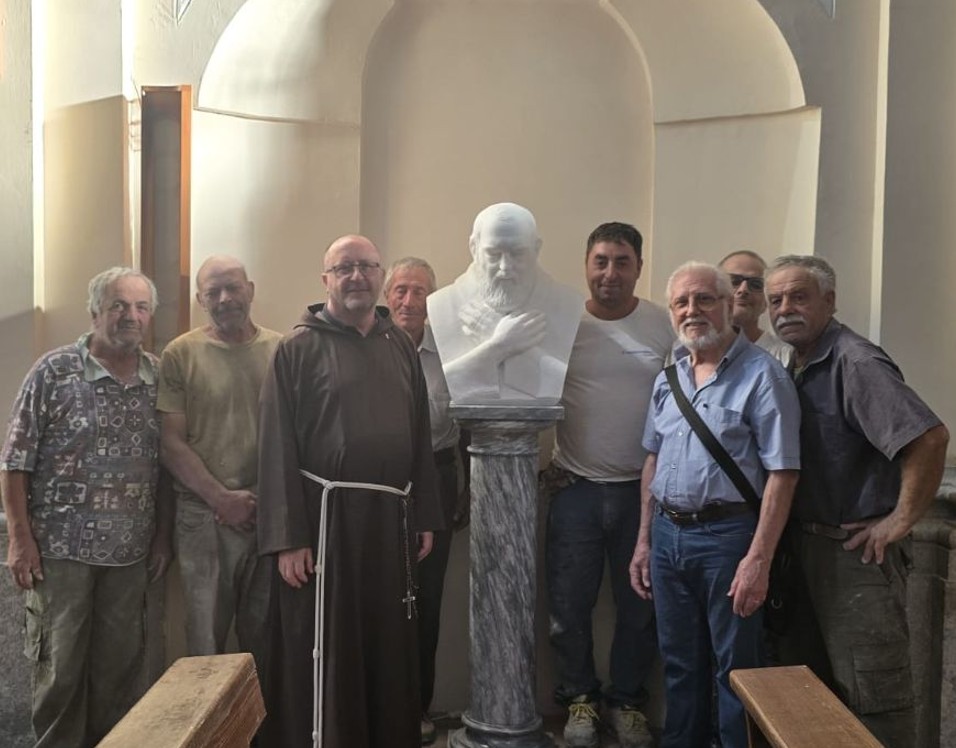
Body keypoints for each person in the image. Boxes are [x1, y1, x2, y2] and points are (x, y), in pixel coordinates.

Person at [256, 235, 444, 748]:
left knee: (386, 643)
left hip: (389, 524)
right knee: (329, 644)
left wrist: (424, 514)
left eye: (366, 266)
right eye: (344, 268)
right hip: (325, 526)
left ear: (379, 275)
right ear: (326, 280)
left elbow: (420, 435)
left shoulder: (398, 345)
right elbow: (275, 446)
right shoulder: (296, 349)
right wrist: (288, 538)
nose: (356, 276)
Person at [765, 254, 949, 747]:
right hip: (805, 550)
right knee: (813, 692)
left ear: (829, 301)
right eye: (775, 300)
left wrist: (899, 521)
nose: (785, 309)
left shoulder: (854, 362)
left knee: (874, 695)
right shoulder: (797, 364)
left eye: (799, 297)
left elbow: (929, 438)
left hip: (853, 556)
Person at [629, 262, 801, 748]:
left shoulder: (763, 376)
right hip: (667, 537)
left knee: (737, 670)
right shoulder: (668, 379)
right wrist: (644, 541)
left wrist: (758, 559)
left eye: (704, 299)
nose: (692, 310)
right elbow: (652, 459)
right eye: (681, 302)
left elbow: (784, 474)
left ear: (729, 306)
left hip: (728, 540)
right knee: (679, 663)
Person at [0, 266, 173, 748]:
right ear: (95, 311)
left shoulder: (159, 377)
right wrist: (19, 539)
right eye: (118, 305)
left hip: (130, 556)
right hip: (59, 555)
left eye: (140, 307)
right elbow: (14, 461)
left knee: (119, 671)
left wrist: (162, 537)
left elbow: (167, 465)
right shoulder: (53, 371)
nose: (130, 315)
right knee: (59, 670)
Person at [543, 222, 673, 748]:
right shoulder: (563, 326)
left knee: (640, 608)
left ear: (639, 267)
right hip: (575, 489)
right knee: (567, 607)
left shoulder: (663, 325)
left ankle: (627, 703)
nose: (610, 273)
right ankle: (579, 699)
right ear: (586, 266)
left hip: (646, 496)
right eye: (601, 261)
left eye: (622, 262)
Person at [157, 255, 281, 659]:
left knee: (266, 640)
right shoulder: (180, 354)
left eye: (233, 287)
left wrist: (267, 503)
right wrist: (222, 499)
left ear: (251, 290)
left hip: (267, 517)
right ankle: (209, 709)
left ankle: (261, 708)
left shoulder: (282, 350)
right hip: (203, 517)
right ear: (200, 299)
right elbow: (171, 443)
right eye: (213, 292)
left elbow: (297, 436)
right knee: (205, 644)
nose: (225, 298)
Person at [384, 256, 469, 746]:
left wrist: (467, 488)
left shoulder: (452, 353)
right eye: (400, 290)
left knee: (426, 601)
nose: (408, 300)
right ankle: (378, 707)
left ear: (433, 300)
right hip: (379, 485)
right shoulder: (370, 348)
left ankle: (417, 707)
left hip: (435, 481)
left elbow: (468, 425)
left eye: (419, 291)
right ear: (387, 296)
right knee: (379, 597)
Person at [427, 202, 582, 403]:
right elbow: (455, 382)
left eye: (517, 254)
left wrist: (495, 337)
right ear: (474, 248)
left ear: (536, 249)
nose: (505, 267)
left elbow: (553, 385)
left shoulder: (566, 303)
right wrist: (501, 344)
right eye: (493, 254)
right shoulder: (443, 304)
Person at [718, 250, 791, 366]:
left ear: (766, 301)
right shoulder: (693, 352)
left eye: (756, 284)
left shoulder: (786, 357)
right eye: (733, 281)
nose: (743, 290)